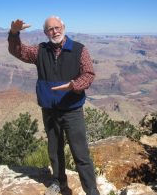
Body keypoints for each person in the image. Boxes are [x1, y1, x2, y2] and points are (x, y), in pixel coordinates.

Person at [8, 16, 100, 195]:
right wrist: (14, 33)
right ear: (45, 32)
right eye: (50, 29)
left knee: (80, 153)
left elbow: (88, 74)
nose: (54, 31)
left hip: (72, 110)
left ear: (63, 27)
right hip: (50, 110)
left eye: (57, 27)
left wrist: (74, 85)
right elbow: (18, 51)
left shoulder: (79, 50)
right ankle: (58, 182)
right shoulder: (40, 50)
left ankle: (92, 191)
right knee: (54, 150)